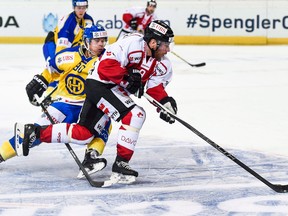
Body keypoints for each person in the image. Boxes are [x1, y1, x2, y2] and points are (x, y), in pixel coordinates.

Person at [19, 20, 177, 184]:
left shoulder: (163, 64)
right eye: (165, 44)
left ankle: (35, 132)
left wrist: (165, 104)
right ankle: (121, 165)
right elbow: (105, 67)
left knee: (84, 134)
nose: (168, 49)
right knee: (135, 114)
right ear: (153, 42)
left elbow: (153, 89)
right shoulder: (132, 43)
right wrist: (126, 76)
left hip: (113, 91)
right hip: (100, 85)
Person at [1, 24, 111, 178]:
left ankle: (90, 158)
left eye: (103, 40)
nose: (101, 44)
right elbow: (50, 71)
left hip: (90, 104)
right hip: (63, 103)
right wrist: (41, 81)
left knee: (106, 124)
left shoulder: (108, 59)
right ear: (86, 41)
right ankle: (1, 155)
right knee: (34, 133)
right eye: (97, 40)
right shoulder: (67, 56)